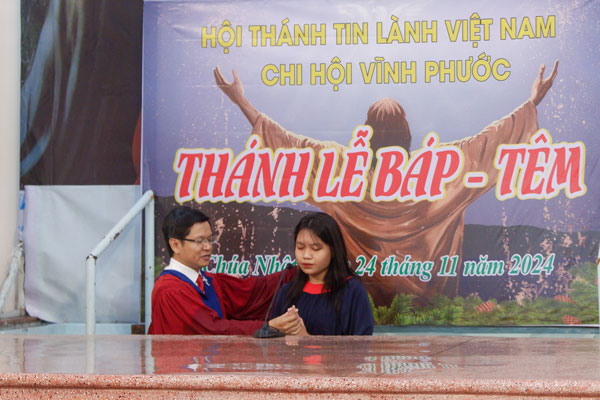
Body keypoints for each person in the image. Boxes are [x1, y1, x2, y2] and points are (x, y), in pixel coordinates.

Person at [213, 62, 559, 307]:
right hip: (429, 310)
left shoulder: (340, 169)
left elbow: (286, 145)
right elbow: (489, 143)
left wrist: (241, 100)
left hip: (357, 304)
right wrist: (532, 102)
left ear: (367, 132)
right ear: (406, 133)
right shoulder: (439, 169)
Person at [148, 206, 302, 335]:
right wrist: (268, 327)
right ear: (175, 245)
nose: (208, 247)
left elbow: (255, 291)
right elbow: (212, 330)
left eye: (210, 239)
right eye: (199, 241)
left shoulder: (209, 281)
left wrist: (300, 270)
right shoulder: (170, 290)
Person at [272, 212, 374, 335]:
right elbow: (273, 341)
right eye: (300, 247)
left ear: (333, 250)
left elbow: (362, 343)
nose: (306, 255)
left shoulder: (353, 291)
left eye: (315, 249)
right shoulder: (287, 291)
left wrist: (305, 339)